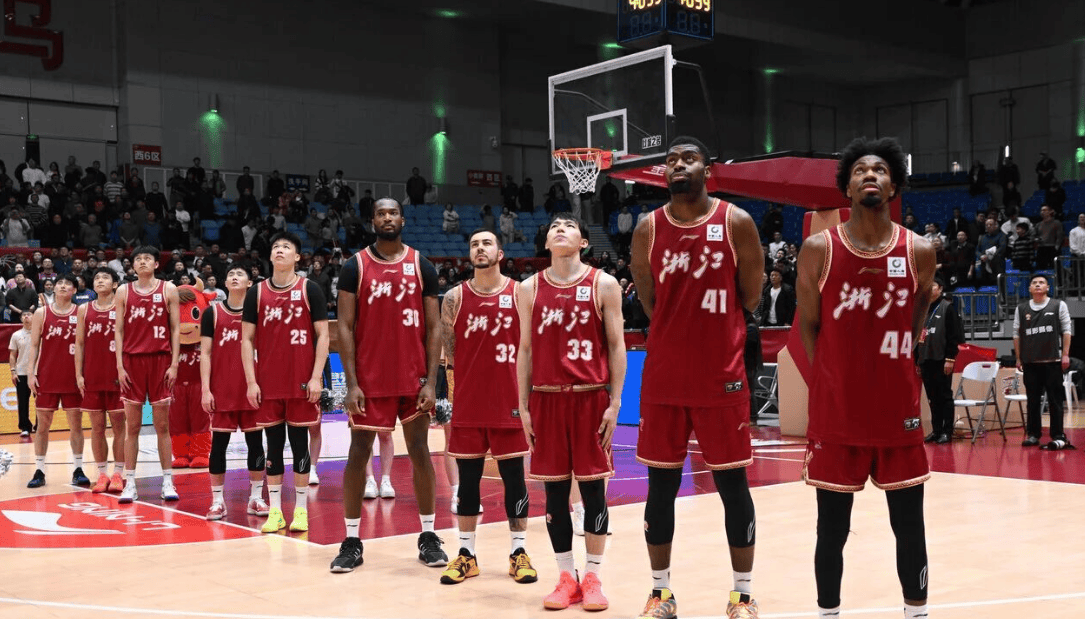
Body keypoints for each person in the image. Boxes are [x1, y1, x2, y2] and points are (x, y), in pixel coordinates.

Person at [796, 136, 935, 619]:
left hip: (897, 410)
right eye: (859, 170)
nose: (869, 175)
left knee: (909, 526)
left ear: (894, 185)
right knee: (831, 530)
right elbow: (809, 326)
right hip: (838, 414)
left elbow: (916, 316)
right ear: (847, 188)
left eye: (879, 169)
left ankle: (916, 613)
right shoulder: (819, 248)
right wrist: (832, 377)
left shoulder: (919, 250)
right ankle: (828, 614)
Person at [628, 137, 765, 619]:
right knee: (660, 487)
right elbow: (649, 300)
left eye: (688, 159)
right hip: (665, 377)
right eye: (670, 160)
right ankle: (660, 593)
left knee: (733, 486)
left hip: (720, 375)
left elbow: (751, 296)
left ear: (708, 170)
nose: (677, 166)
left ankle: (742, 595)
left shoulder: (736, 222)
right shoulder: (648, 228)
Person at [516, 213, 626, 611]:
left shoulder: (604, 283)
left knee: (594, 492)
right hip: (546, 399)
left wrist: (615, 403)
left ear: (583, 242)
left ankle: (593, 576)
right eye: (553, 227)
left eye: (569, 226)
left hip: (590, 397)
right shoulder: (528, 288)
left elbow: (616, 346)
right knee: (555, 494)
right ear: (546, 243)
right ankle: (566, 577)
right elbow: (525, 349)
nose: (559, 229)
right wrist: (523, 406)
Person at [331, 198, 447, 573]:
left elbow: (434, 327)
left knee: (420, 452)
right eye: (380, 213)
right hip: (370, 380)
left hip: (413, 379)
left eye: (392, 212)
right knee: (358, 453)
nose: (387, 218)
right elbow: (344, 327)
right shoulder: (355, 266)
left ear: (402, 219)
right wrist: (351, 383)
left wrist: (432, 380)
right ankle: (351, 541)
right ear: (372, 221)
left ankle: (428, 536)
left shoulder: (422, 265)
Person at [437, 229, 537, 586]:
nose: (480, 248)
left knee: (515, 480)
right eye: (474, 244)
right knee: (468, 483)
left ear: (500, 253)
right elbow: (450, 353)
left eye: (486, 243)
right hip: (469, 404)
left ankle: (518, 552)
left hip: (510, 402)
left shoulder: (521, 293)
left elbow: (532, 348)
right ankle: (466, 554)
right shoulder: (454, 297)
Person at [241, 231, 329, 533]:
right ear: (270, 256)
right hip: (268, 383)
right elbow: (246, 339)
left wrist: (316, 376)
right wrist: (251, 382)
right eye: (276, 246)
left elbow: (323, 335)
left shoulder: (310, 289)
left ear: (297, 256)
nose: (280, 250)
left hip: (301, 382)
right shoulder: (257, 292)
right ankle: (276, 511)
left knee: (300, 444)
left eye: (286, 247)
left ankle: (301, 510)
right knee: (274, 447)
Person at [202, 264, 270, 521]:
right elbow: (205, 354)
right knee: (218, 446)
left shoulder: (259, 314)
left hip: (252, 389)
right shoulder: (212, 313)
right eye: (230, 274)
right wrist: (206, 389)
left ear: (250, 283)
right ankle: (217, 501)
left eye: (240, 274)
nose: (234, 277)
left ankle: (256, 497)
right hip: (222, 390)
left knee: (256, 444)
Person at [114, 246, 182, 503]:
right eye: (138, 259)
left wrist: (174, 364)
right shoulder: (123, 291)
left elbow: (175, 329)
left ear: (155, 264)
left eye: (147, 259)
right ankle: (130, 483)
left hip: (160, 360)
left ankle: (168, 481)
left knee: (162, 426)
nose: (142, 262)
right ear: (133, 266)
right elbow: (118, 330)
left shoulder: (168, 289)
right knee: (132, 427)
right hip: (132, 361)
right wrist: (120, 366)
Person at [25, 275, 89, 489]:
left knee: (76, 425)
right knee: (42, 425)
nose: (62, 286)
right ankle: (39, 470)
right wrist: (31, 373)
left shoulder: (81, 312)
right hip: (47, 376)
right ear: (53, 288)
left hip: (72, 377)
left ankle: (78, 469)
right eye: (59, 283)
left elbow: (85, 345)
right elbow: (34, 345)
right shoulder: (42, 313)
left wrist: (82, 375)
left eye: (67, 284)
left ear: (74, 290)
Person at [74, 268, 127, 493]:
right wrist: (78, 374)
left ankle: (119, 473)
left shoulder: (123, 306)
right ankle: (102, 473)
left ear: (115, 284)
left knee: (119, 427)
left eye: (105, 277)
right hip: (92, 375)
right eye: (96, 278)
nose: (100, 281)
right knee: (96, 427)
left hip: (117, 376)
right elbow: (79, 344)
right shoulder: (84, 309)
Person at [1015, 274, 1073, 450]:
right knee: (1032, 401)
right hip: (1030, 362)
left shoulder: (1058, 305)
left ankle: (1058, 435)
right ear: (1029, 289)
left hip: (1052, 360)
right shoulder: (1021, 308)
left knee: (1055, 400)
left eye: (1042, 282)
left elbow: (1066, 330)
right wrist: (1018, 358)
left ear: (1048, 287)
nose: (1038, 285)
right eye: (1034, 283)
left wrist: (1065, 355)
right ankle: (1033, 434)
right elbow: (1016, 334)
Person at [915, 277, 964, 445]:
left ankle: (947, 432)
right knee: (932, 397)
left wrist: (950, 359)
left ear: (940, 289)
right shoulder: (922, 309)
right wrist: (918, 360)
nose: (930, 289)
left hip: (942, 360)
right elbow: (917, 337)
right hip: (926, 359)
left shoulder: (947, 308)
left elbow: (954, 336)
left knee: (944, 396)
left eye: (933, 286)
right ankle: (936, 431)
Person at [9, 311, 34, 437]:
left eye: (29, 314)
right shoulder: (16, 335)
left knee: (41, 402)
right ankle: (25, 427)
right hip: (22, 372)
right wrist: (13, 371)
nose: (26, 317)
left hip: (38, 372)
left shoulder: (40, 333)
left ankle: (40, 426)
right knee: (23, 402)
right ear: (21, 319)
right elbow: (12, 355)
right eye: (24, 315)